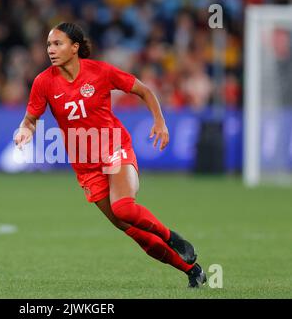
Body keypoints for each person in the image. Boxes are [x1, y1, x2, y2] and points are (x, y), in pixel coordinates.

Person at [14, 22, 207, 288]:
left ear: (75, 47)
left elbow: (143, 90)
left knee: (124, 207)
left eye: (57, 44)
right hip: (86, 167)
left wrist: (160, 122)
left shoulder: (100, 72)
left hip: (114, 148)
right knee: (134, 232)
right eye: (49, 44)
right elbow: (31, 118)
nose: (51, 49)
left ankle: (172, 237)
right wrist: (25, 130)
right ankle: (191, 270)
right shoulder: (43, 82)